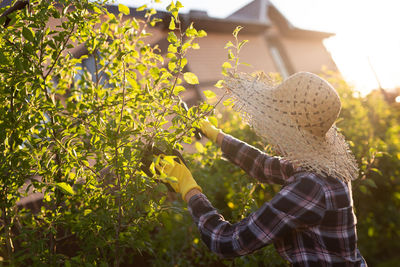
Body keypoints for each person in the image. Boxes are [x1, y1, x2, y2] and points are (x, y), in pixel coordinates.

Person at [156, 72, 367, 266]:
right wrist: (212, 132)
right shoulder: (323, 168)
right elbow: (263, 166)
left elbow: (226, 241)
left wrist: (188, 187)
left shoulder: (310, 187)